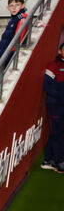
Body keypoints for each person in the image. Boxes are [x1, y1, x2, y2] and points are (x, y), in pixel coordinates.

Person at [43, 43, 64, 172]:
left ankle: (48, 159)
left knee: (58, 132)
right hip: (55, 104)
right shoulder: (53, 66)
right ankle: (59, 161)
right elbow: (48, 86)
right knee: (57, 133)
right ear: (60, 51)